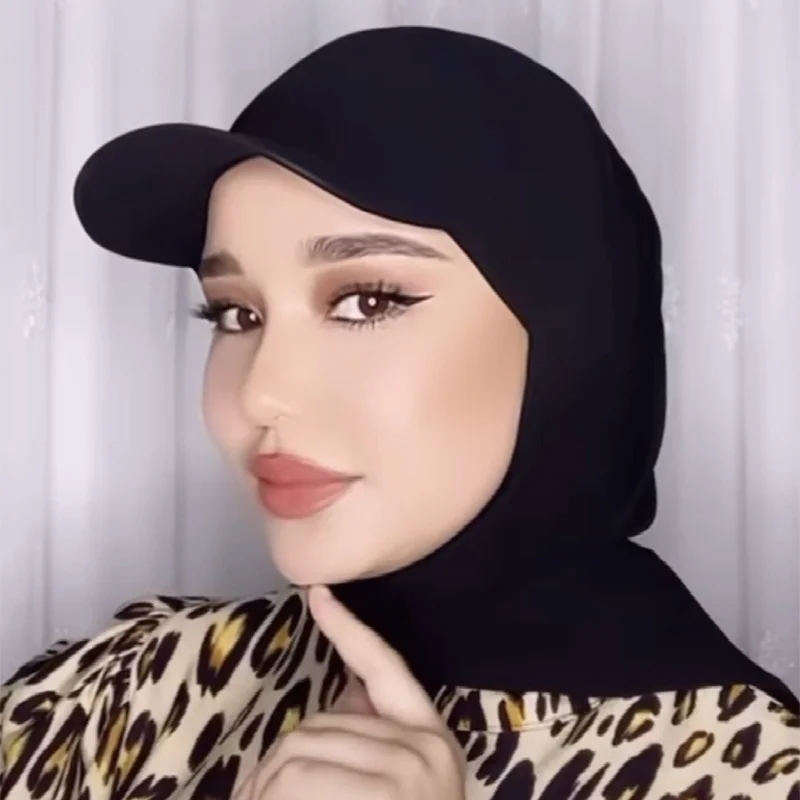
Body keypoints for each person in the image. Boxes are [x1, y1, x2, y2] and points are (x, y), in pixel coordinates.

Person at [1, 25, 798, 800]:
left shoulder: (750, 771)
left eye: (367, 301)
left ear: (573, 337)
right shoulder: (119, 693)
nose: (259, 393)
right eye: (235, 314)